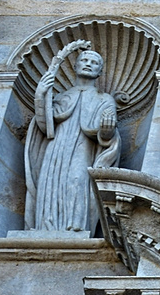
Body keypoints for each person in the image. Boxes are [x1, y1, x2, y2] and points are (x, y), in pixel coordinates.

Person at [25, 41, 120, 235]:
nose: (87, 64)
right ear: (75, 66)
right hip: (55, 148)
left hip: (83, 149)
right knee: (51, 182)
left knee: (77, 180)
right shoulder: (61, 96)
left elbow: (107, 136)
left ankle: (76, 227)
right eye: (84, 60)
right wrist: (40, 95)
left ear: (100, 72)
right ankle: (46, 226)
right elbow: (45, 127)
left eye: (94, 63)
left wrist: (107, 131)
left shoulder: (104, 99)